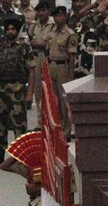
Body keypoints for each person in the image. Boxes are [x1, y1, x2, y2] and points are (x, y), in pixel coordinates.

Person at [0, 14, 34, 168]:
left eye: (13, 29)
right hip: (0, 91)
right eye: (8, 29)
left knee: (19, 126)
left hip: (17, 91)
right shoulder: (0, 46)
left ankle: (21, 158)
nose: (10, 31)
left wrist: (29, 94)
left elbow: (31, 70)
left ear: (17, 31)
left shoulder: (24, 47)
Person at [46, 5, 77, 139]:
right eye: (55, 16)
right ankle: (57, 128)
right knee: (54, 99)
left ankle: (66, 130)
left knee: (64, 100)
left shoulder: (70, 34)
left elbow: (72, 57)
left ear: (65, 16)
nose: (57, 19)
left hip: (63, 67)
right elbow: (48, 50)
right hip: (52, 65)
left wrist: (70, 76)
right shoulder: (52, 31)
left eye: (60, 16)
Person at [27, 0, 53, 128]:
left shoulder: (53, 25)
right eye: (39, 11)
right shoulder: (33, 26)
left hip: (47, 58)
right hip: (36, 58)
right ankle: (40, 122)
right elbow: (29, 40)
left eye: (44, 10)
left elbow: (54, 44)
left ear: (48, 11)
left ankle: (50, 120)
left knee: (48, 90)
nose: (41, 13)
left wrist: (41, 44)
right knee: (38, 90)